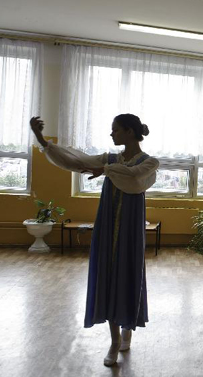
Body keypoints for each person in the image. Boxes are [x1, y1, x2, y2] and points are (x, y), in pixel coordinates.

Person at [30, 114, 159, 367]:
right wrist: (42, 140)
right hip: (107, 224)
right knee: (108, 277)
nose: (112, 135)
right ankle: (113, 342)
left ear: (130, 132)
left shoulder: (150, 162)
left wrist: (106, 170)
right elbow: (76, 160)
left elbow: (133, 178)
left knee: (128, 274)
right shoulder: (108, 160)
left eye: (116, 130)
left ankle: (127, 330)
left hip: (131, 229)